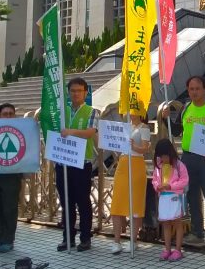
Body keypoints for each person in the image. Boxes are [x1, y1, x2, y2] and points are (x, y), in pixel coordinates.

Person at [162, 75, 205, 248]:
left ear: (204, 89)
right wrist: (166, 119)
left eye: (197, 88)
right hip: (188, 158)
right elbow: (177, 131)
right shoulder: (186, 107)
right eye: (191, 89)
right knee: (192, 196)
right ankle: (197, 232)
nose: (194, 92)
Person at [57, 78, 99, 251]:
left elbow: (90, 132)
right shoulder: (62, 112)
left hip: (82, 162)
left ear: (85, 92)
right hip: (62, 161)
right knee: (66, 201)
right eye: (73, 91)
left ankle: (85, 237)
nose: (76, 94)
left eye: (79, 91)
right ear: (68, 93)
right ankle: (68, 238)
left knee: (83, 201)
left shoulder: (92, 112)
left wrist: (70, 132)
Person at [108, 109, 151, 255]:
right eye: (130, 110)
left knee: (135, 205)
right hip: (123, 164)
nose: (131, 113)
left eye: (135, 110)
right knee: (117, 203)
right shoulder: (125, 126)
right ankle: (116, 241)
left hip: (136, 164)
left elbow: (145, 149)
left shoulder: (144, 128)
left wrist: (134, 147)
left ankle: (133, 240)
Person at [0, 102, 23, 253]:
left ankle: (8, 240)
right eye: (5, 114)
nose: (8, 116)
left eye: (11, 114)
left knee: (9, 209)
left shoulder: (21, 129)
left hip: (12, 175)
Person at [151, 139, 189, 261]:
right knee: (166, 223)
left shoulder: (179, 165)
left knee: (177, 222)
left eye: (165, 156)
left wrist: (171, 186)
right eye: (161, 156)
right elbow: (154, 179)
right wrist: (157, 186)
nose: (163, 158)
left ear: (170, 153)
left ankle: (178, 250)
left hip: (175, 197)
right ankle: (167, 249)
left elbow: (184, 180)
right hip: (163, 197)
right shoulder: (159, 166)